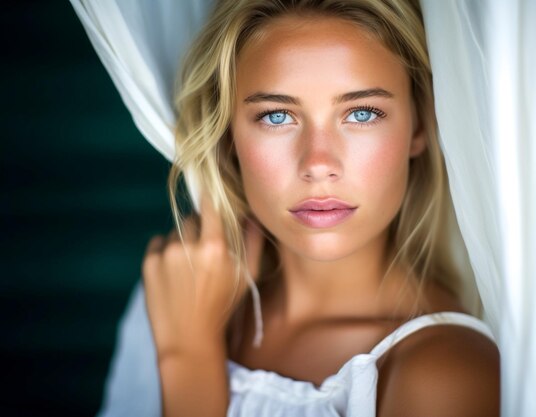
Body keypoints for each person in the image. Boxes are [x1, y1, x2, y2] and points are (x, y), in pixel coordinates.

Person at [100, 1, 500, 416]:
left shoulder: (447, 372)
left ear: (419, 125)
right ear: (227, 135)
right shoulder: (183, 290)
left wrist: (187, 358)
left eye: (362, 113)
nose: (318, 164)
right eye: (276, 116)